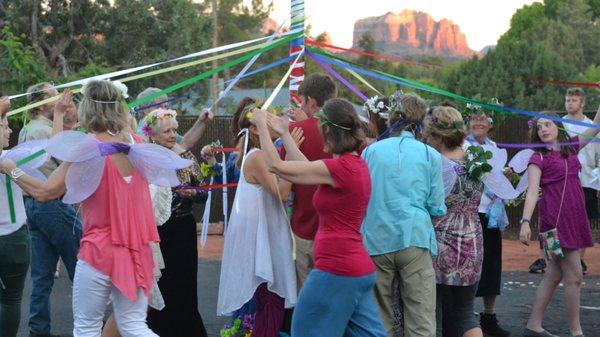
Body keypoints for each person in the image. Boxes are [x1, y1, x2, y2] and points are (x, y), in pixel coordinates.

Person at [0, 80, 189, 336]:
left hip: (100, 251)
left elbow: (44, 192)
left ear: (88, 107)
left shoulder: (88, 147)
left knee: (87, 327)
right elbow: (62, 149)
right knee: (134, 325)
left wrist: (11, 168)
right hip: (136, 252)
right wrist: (57, 115)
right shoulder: (138, 143)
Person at [252, 98, 386, 337]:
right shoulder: (351, 166)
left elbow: (275, 165)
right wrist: (285, 134)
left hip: (336, 270)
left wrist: (262, 124)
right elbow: (306, 168)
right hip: (356, 270)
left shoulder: (341, 169)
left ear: (328, 131)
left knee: (304, 331)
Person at [361, 93, 446, 337]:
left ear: (392, 119)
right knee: (420, 317)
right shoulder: (429, 154)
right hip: (414, 237)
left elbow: (363, 195)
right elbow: (437, 206)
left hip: (376, 239)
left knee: (378, 317)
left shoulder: (371, 152)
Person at [518, 90, 600, 337]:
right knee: (574, 275)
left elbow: (595, 126)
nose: (543, 129)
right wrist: (524, 221)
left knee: (554, 275)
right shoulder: (537, 158)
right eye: (540, 126)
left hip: (574, 219)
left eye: (548, 124)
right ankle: (576, 332)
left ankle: (533, 326)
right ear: (536, 133)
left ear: (558, 127)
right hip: (554, 223)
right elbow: (532, 192)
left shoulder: (571, 149)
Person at [217, 103, 298, 337]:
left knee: (270, 303)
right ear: (256, 129)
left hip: (263, 235)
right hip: (259, 240)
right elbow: (282, 193)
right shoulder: (258, 157)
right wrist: (293, 153)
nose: (276, 122)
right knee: (271, 303)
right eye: (269, 119)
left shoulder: (260, 155)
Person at [19, 83, 83, 337]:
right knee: (81, 266)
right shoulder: (44, 130)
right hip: (52, 204)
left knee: (42, 276)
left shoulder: (27, 129)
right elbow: (59, 154)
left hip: (33, 205)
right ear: (42, 104)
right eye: (52, 94)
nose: (59, 97)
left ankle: (39, 330)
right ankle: (88, 327)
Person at [143, 108, 210, 337]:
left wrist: (194, 193)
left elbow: (204, 192)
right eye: (167, 131)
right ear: (153, 135)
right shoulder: (146, 159)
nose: (172, 135)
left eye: (174, 130)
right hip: (158, 231)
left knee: (185, 284)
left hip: (183, 228)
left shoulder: (186, 157)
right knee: (162, 284)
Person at [422, 106, 484, 337]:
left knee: (431, 314)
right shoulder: (476, 160)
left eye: (429, 135)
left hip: (440, 243)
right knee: (465, 312)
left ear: (439, 136)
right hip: (472, 240)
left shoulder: (435, 164)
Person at [280, 73, 337, 289]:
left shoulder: (294, 133)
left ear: (311, 102)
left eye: (301, 101)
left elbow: (285, 183)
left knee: (306, 296)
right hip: (337, 229)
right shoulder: (346, 133)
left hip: (304, 227)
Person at [463, 104, 511, 337]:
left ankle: (489, 316)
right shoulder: (463, 146)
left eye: (482, 119)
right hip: (471, 212)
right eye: (474, 119)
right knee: (471, 264)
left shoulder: (495, 147)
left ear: (490, 123)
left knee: (492, 263)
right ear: (467, 123)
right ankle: (466, 317)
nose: (478, 122)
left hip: (492, 213)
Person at [0, 97, 31, 337]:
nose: (9, 129)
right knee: (11, 298)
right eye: (4, 124)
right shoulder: (11, 160)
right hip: (12, 240)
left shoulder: (12, 157)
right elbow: (54, 147)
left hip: (13, 240)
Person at [561, 87, 599, 275]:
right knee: (560, 219)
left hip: (587, 180)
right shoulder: (559, 126)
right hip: (565, 180)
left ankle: (581, 260)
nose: (569, 103)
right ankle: (547, 258)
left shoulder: (592, 126)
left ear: (582, 103)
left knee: (583, 221)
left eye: (574, 100)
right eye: (567, 100)